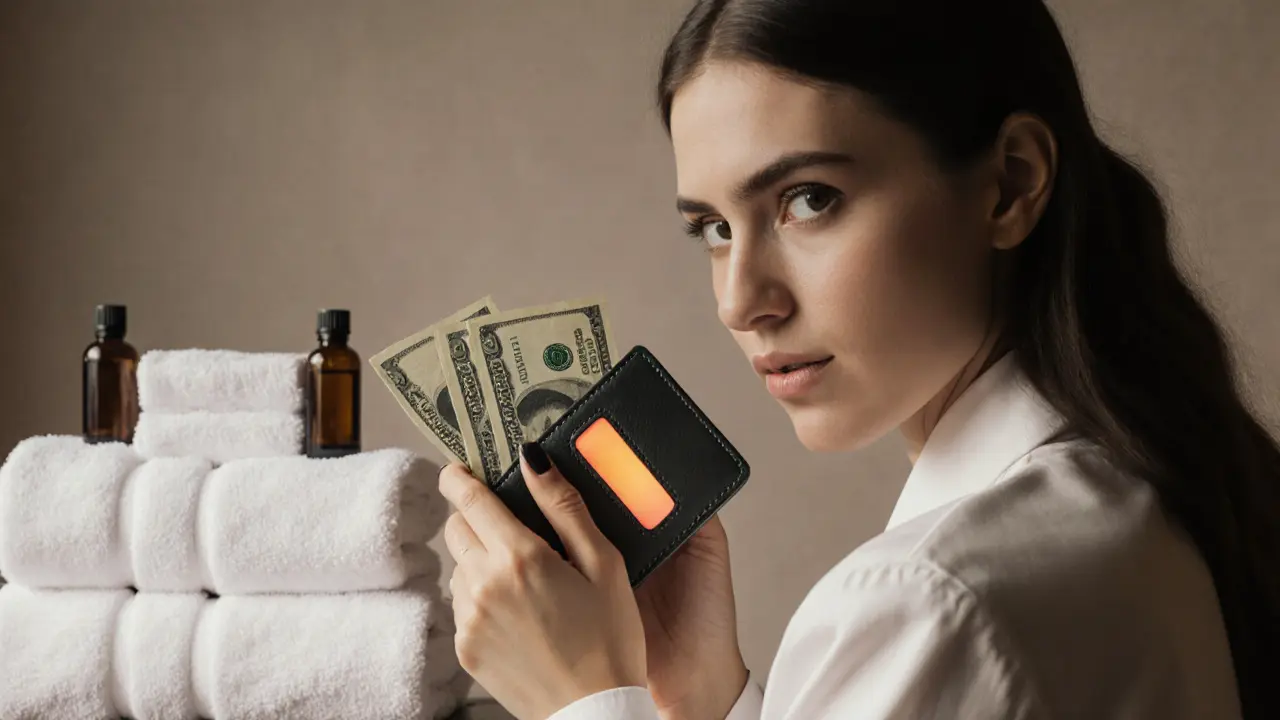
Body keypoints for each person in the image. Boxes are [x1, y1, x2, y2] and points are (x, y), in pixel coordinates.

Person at [435, 0, 1280, 718]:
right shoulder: (1146, 488)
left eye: (809, 200)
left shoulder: (932, 602)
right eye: (714, 229)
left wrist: (581, 699)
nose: (739, 300)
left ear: (1011, 184)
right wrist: (703, 696)